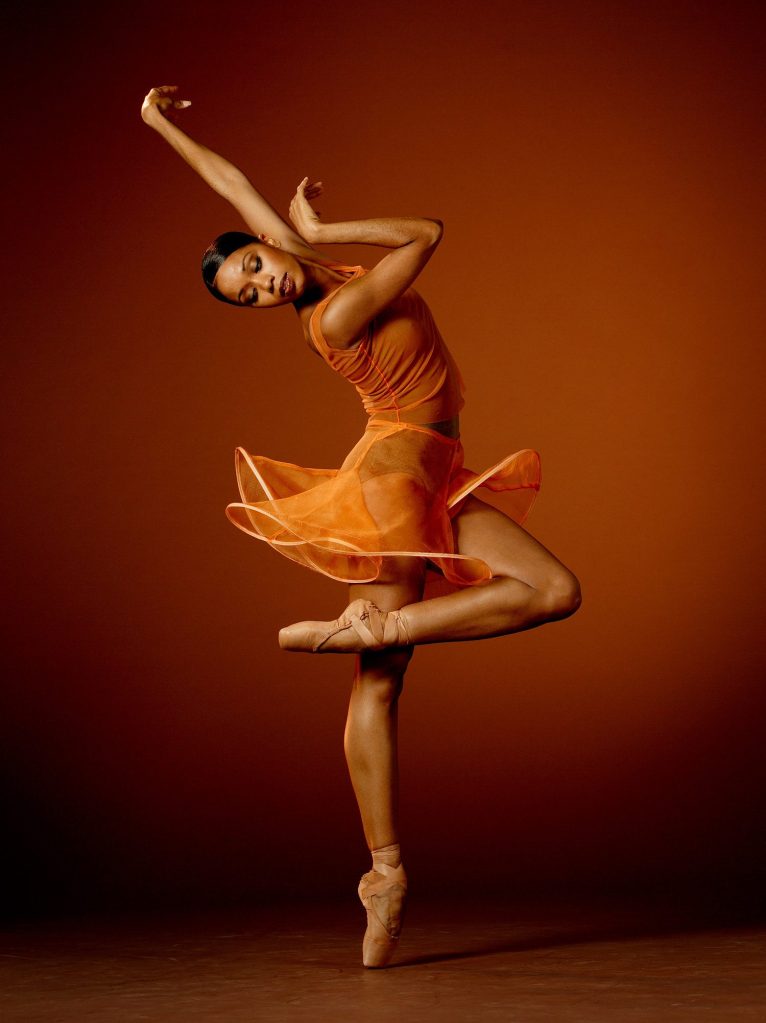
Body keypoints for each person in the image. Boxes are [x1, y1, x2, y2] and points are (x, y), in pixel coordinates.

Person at [141, 85, 582, 968]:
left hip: (431, 468)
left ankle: (382, 864)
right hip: (396, 475)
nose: (263, 284)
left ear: (264, 246)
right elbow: (426, 233)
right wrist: (325, 226)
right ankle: (385, 867)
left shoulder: (298, 262)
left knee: (550, 592)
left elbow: (232, 184)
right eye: (247, 295)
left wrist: (159, 123)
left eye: (253, 266)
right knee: (380, 678)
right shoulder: (333, 311)